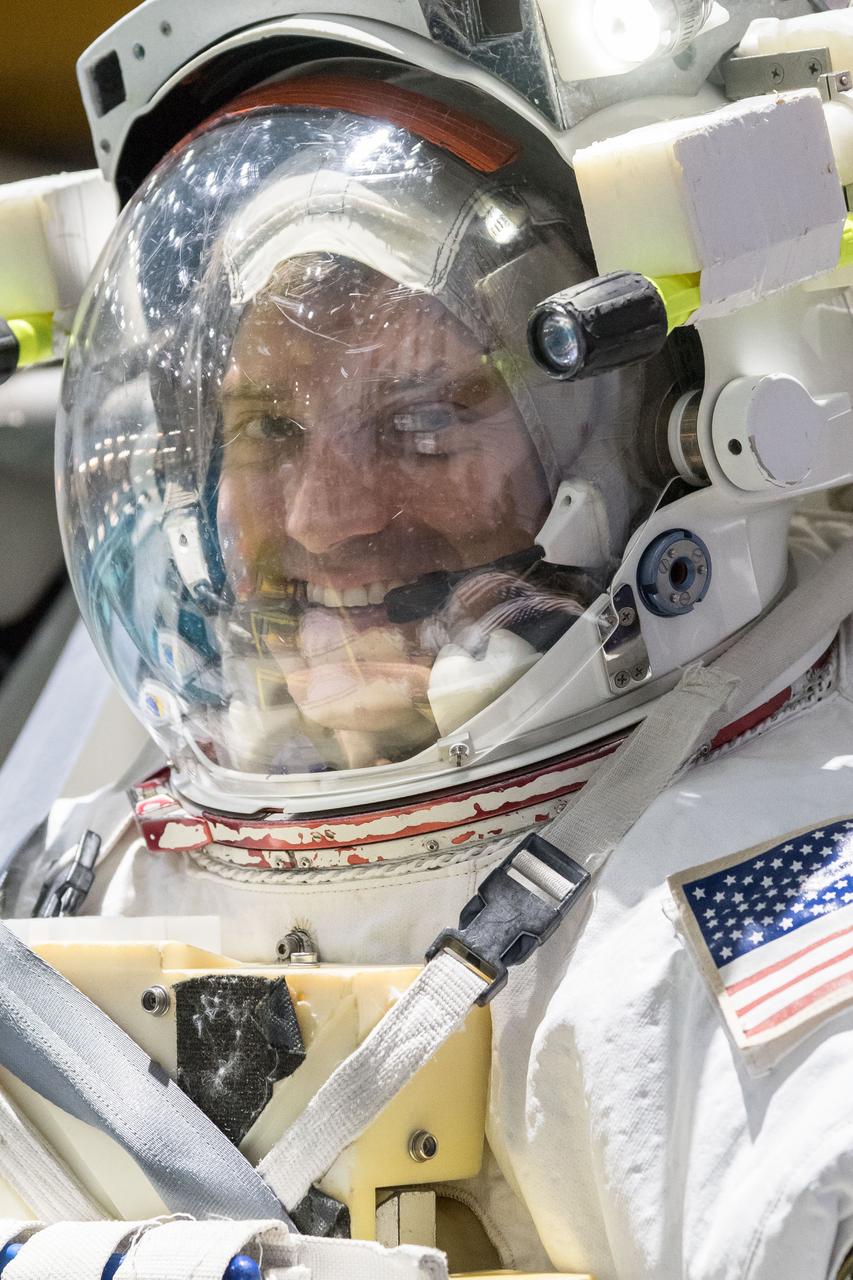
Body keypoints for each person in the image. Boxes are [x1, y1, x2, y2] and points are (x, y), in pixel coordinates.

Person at [3, 3, 853, 1278]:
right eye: (266, 429)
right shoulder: (96, 869)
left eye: (417, 424)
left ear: (650, 449)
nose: (322, 519)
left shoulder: (734, 920)